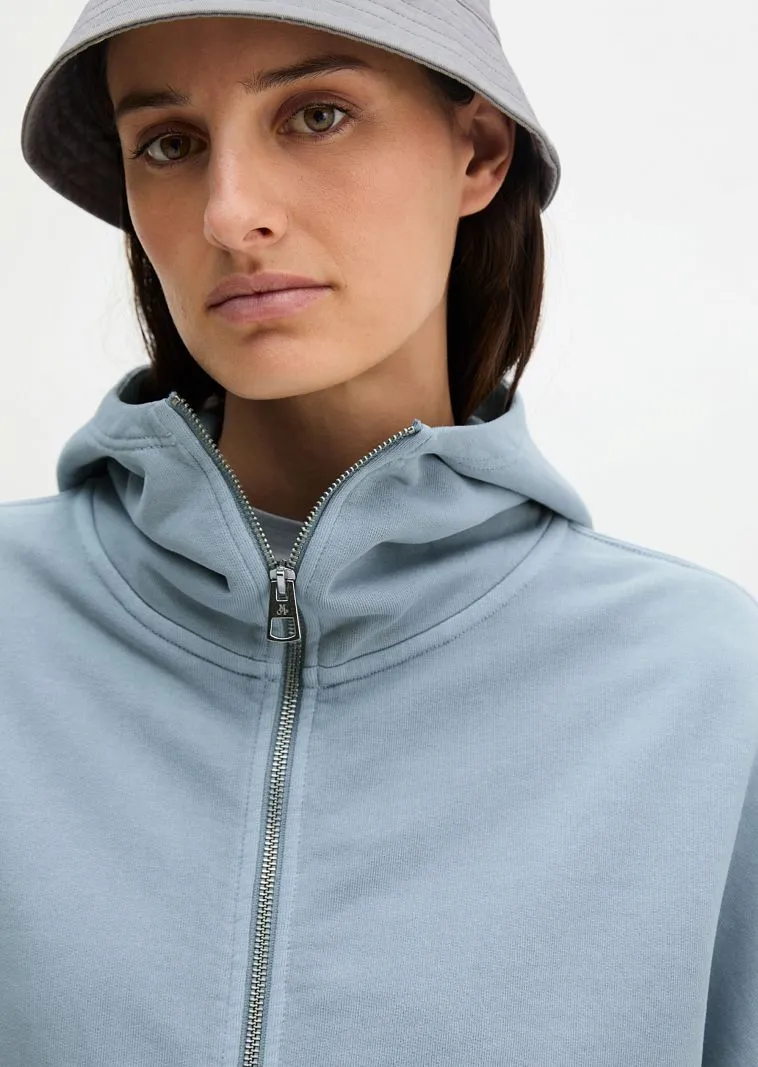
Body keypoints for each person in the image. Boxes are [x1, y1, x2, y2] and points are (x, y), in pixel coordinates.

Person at [3, 1, 757, 1065]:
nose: (231, 213)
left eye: (316, 115)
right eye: (168, 143)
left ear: (477, 150)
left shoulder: (704, 692)